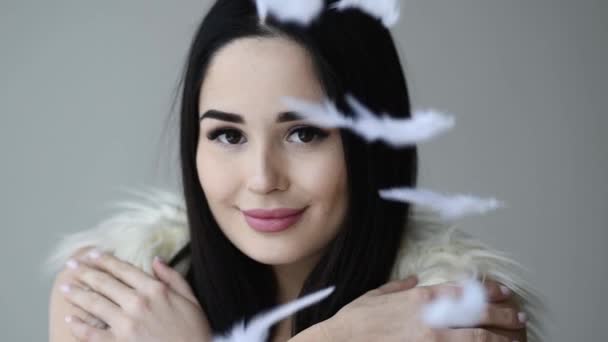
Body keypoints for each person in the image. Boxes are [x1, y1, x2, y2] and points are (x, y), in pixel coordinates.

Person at [48, 0, 541, 341]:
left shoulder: (453, 320)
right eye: (228, 135)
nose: (262, 179)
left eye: (304, 133)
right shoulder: (108, 301)